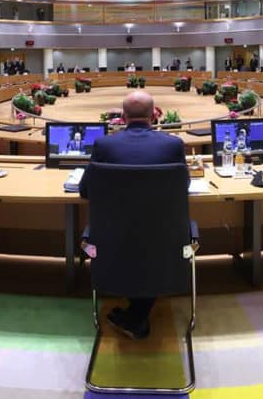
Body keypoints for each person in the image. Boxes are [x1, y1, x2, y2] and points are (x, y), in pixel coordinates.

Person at [79, 90, 186, 340]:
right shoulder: (172, 145)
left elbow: (85, 190)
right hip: (165, 242)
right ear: (154, 114)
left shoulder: (104, 144)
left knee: (133, 236)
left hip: (111, 240)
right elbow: (182, 187)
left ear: (123, 116)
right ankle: (138, 313)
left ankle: (136, 315)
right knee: (149, 237)